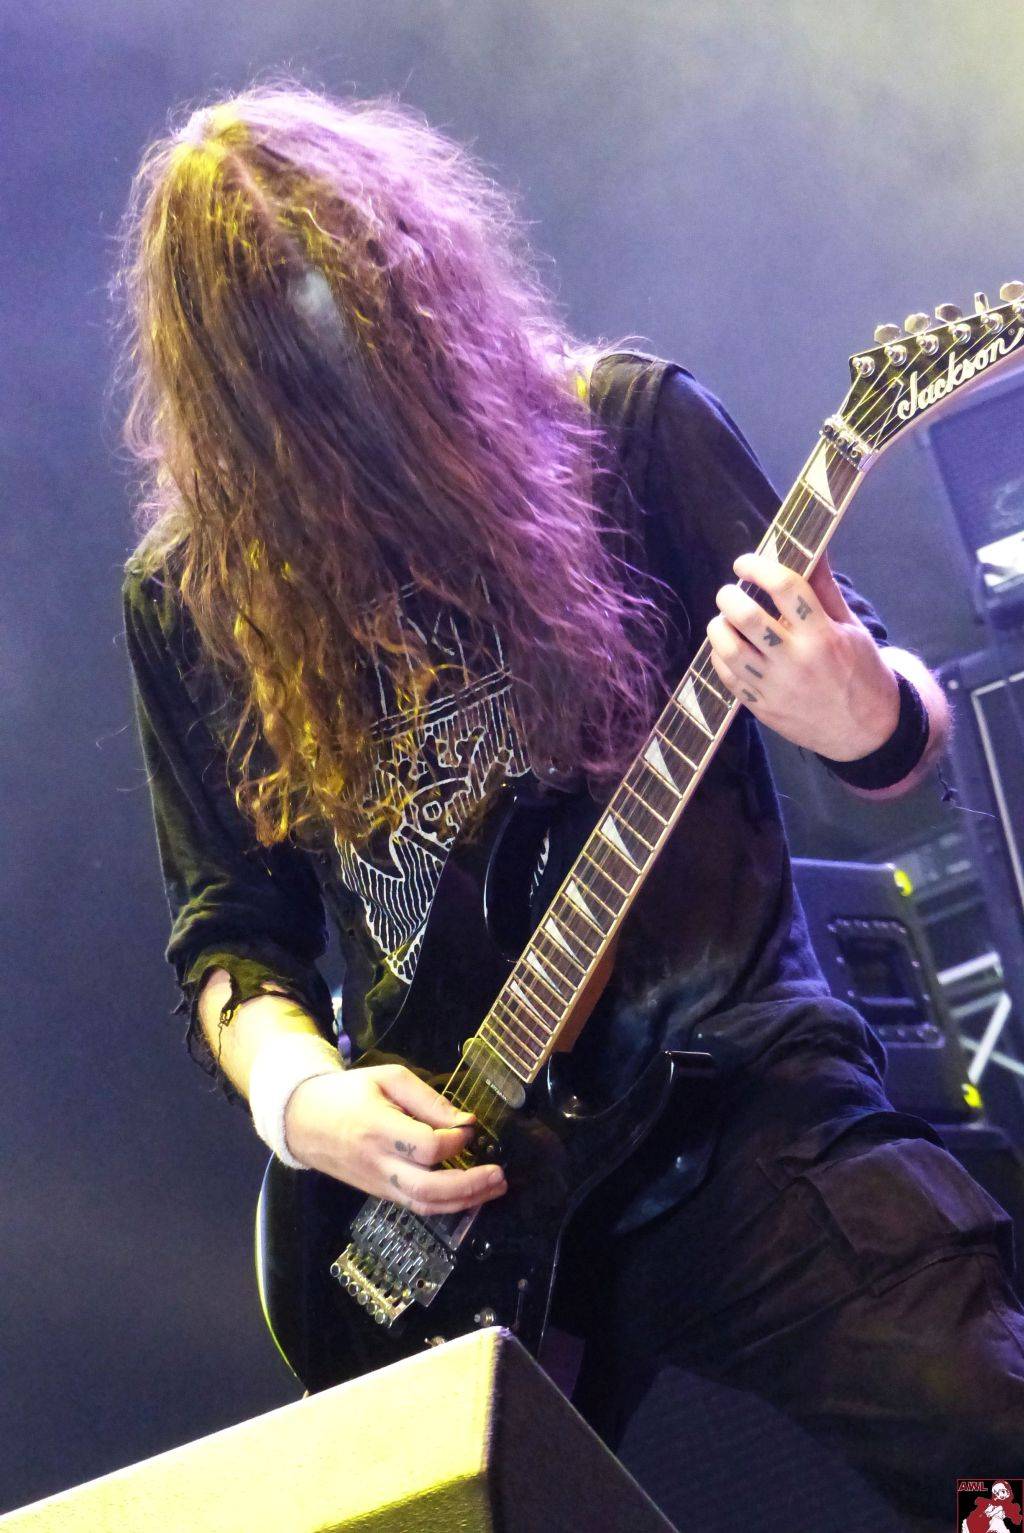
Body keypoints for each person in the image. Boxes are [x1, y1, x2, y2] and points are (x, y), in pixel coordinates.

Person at [118, 85, 1024, 1533]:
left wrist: (860, 708)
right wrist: (307, 1105)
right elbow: (230, 931)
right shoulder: (192, 600)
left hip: (728, 1099)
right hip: (452, 1187)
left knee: (989, 1433)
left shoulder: (627, 432)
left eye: (365, 343)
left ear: (422, 293)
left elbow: (896, 732)